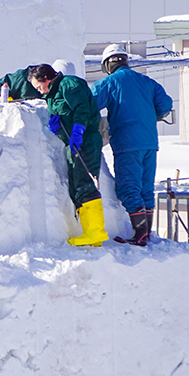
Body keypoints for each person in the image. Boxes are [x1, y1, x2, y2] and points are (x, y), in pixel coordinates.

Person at [89, 44, 173, 246]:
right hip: (150, 142)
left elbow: (89, 105)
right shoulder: (147, 82)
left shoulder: (108, 83)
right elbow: (166, 105)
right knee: (145, 188)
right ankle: (146, 233)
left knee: (128, 187)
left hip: (127, 143)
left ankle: (140, 234)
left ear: (108, 64)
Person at [28, 63, 109, 247]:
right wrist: (56, 128)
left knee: (86, 182)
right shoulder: (52, 95)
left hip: (86, 140)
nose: (39, 91)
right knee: (77, 185)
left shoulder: (68, 84)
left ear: (47, 79)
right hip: (73, 145)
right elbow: (65, 115)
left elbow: (82, 108)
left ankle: (96, 232)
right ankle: (90, 232)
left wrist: (79, 129)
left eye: (38, 86)